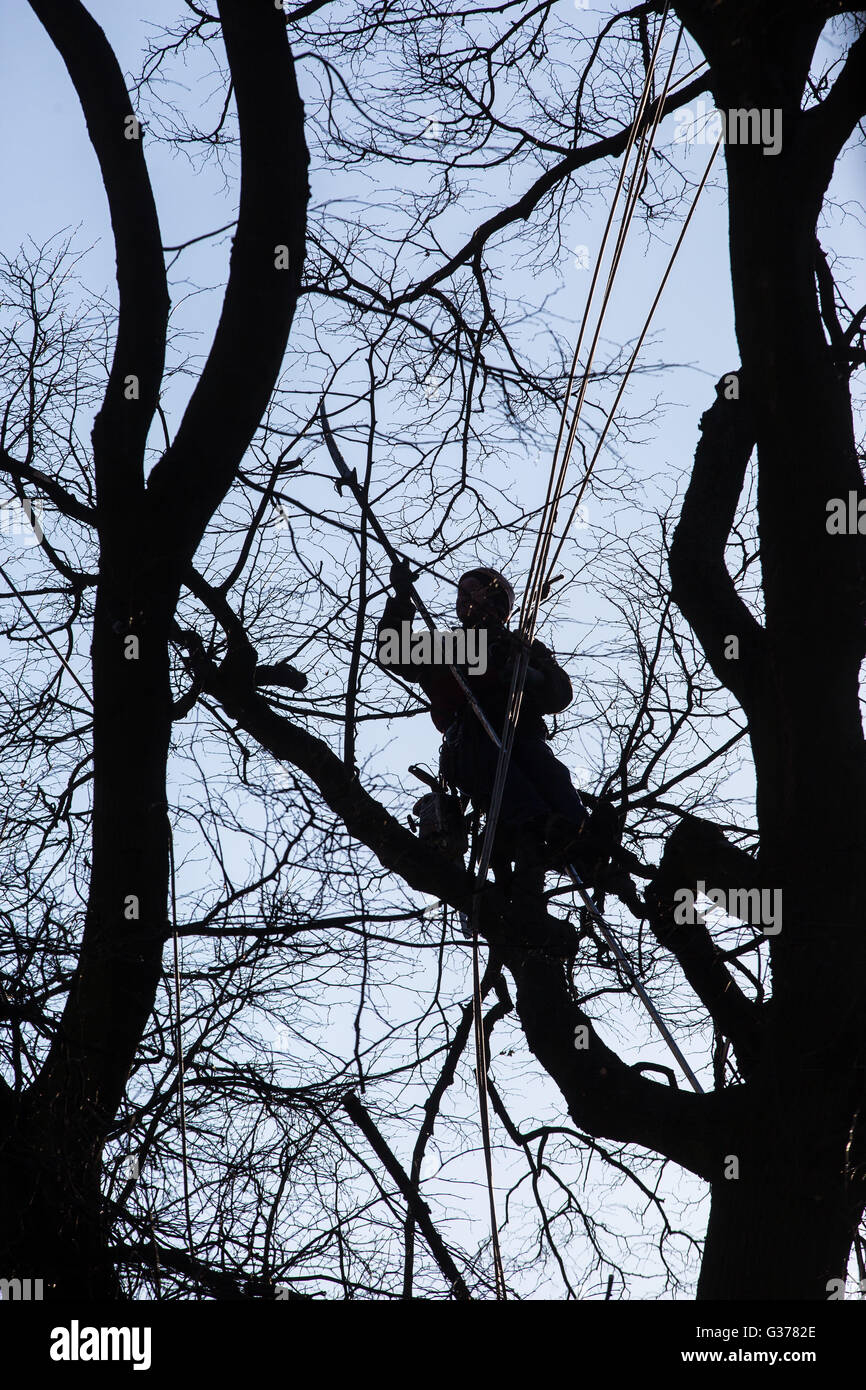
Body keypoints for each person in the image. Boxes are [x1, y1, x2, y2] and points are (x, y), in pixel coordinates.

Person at [377, 561, 630, 889]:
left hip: (520, 734)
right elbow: (392, 652)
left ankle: (583, 843)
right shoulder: (447, 645)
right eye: (461, 592)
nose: (463, 598)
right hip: (468, 743)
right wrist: (400, 600)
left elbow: (560, 693)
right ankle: (538, 824)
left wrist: (531, 676)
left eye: (473, 591)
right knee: (498, 766)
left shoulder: (518, 647)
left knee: (549, 772)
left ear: (496, 602)